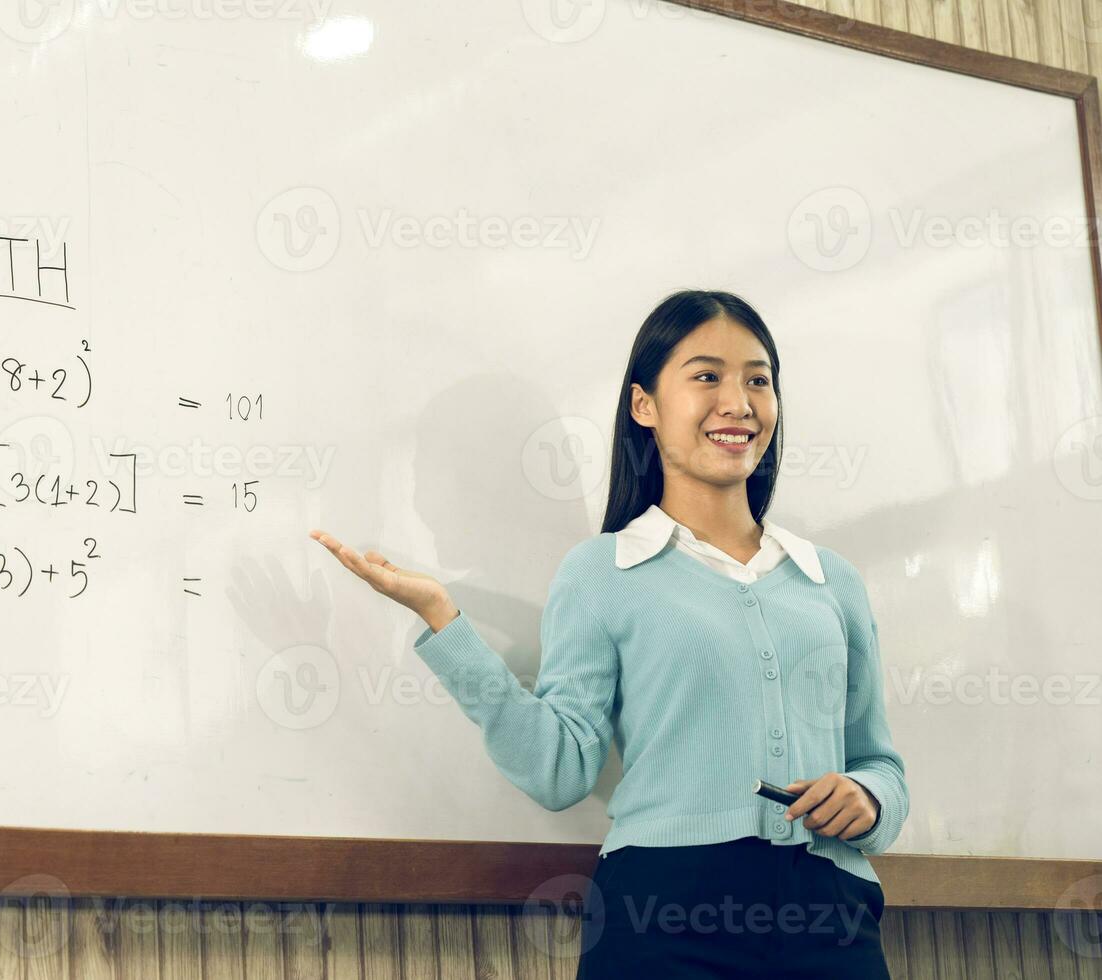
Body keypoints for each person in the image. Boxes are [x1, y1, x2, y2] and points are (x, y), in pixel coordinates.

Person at [310, 289, 907, 978]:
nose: (738, 402)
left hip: (829, 918)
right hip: (663, 918)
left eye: (758, 380)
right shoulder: (602, 573)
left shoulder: (830, 581)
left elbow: (880, 764)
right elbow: (559, 768)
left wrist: (868, 799)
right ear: (644, 405)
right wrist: (443, 618)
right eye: (707, 376)